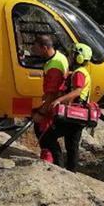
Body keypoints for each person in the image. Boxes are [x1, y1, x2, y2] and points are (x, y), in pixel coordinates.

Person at [43, 43, 95, 171]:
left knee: (48, 137)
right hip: (79, 115)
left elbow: (77, 91)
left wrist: (59, 100)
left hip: (73, 114)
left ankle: (59, 167)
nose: (69, 57)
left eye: (72, 54)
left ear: (79, 58)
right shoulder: (82, 72)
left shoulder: (79, 73)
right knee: (72, 145)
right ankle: (71, 172)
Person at [30, 34, 69, 166]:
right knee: (45, 133)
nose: (33, 50)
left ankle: (53, 163)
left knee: (44, 133)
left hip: (54, 105)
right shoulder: (58, 57)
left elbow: (53, 93)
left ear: (45, 48)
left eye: (36, 48)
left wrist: (41, 112)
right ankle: (51, 160)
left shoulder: (54, 66)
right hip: (52, 102)